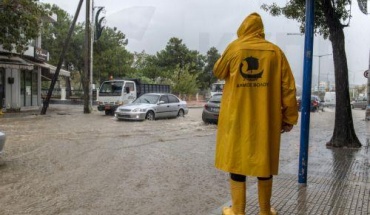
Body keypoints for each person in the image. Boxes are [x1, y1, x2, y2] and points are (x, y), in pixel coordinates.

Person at [213, 12, 298, 215]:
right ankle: (265, 211)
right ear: (261, 30)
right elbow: (288, 88)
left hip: (236, 120)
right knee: (264, 163)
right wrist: (289, 118)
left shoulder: (234, 47)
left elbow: (218, 71)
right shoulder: (275, 53)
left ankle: (238, 211)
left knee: (237, 164)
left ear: (243, 28)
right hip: (266, 120)